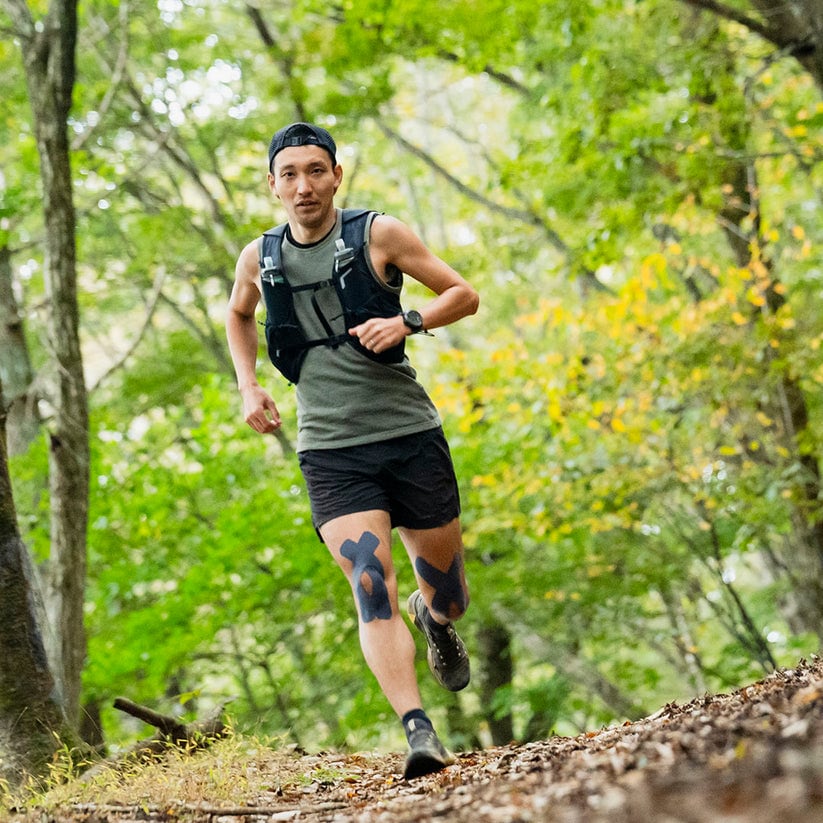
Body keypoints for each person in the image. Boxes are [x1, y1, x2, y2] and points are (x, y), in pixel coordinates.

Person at [226, 122, 479, 779]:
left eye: (316, 170)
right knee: (371, 582)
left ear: (336, 175)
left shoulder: (378, 235)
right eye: (289, 174)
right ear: (273, 184)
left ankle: (434, 617)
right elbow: (239, 313)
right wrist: (248, 384)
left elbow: (463, 294)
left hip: (409, 436)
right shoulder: (259, 257)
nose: (303, 186)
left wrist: (407, 321)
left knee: (449, 597)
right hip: (331, 450)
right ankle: (418, 730)